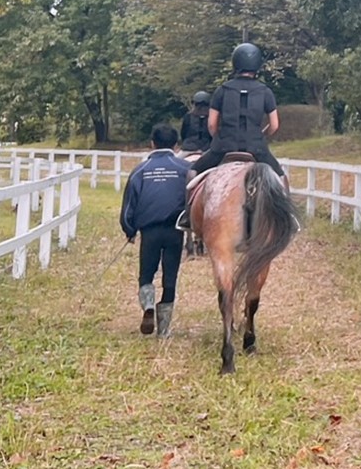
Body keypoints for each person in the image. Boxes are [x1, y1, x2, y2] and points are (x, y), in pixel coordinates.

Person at [120, 123, 193, 338]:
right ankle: (164, 330)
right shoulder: (185, 169)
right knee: (170, 277)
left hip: (149, 232)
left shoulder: (140, 171)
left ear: (152, 143)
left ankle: (149, 305)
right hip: (175, 230)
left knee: (146, 274)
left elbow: (128, 206)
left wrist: (129, 229)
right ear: (176, 144)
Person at [189, 43, 284, 180]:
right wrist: (260, 135)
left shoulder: (222, 90)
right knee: (280, 177)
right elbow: (274, 125)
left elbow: (211, 125)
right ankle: (286, 201)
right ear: (257, 65)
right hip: (256, 149)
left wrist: (220, 138)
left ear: (235, 63)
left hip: (223, 147)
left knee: (193, 171)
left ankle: (187, 202)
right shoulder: (265, 92)